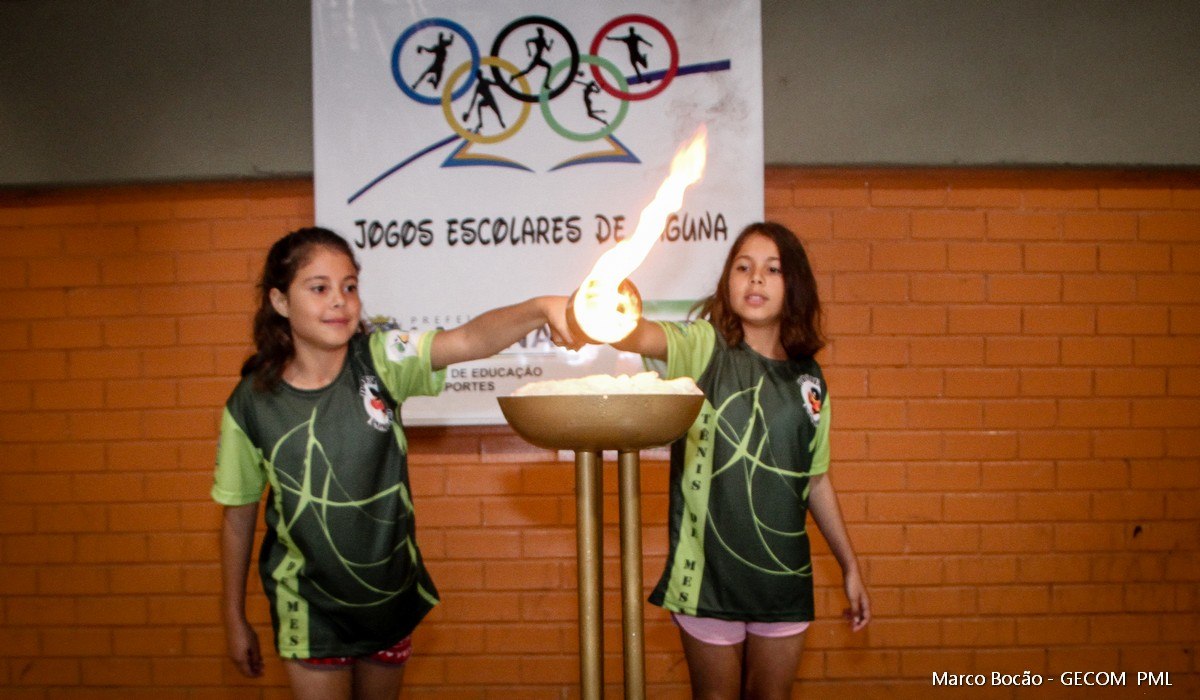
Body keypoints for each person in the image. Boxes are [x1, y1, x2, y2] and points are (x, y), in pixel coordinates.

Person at [213, 227, 570, 700]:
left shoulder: (381, 360)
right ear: (280, 302)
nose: (339, 300)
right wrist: (233, 618)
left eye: (350, 286)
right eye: (319, 288)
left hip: (387, 599)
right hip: (309, 607)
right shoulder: (250, 404)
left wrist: (541, 307)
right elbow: (238, 519)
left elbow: (469, 340)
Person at [555, 221, 871, 699]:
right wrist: (597, 309)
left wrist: (850, 566)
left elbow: (817, 481)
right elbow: (633, 336)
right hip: (707, 580)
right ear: (728, 283)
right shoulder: (702, 346)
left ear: (795, 286)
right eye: (743, 268)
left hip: (783, 580)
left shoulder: (812, 381)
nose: (756, 279)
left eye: (772, 269)